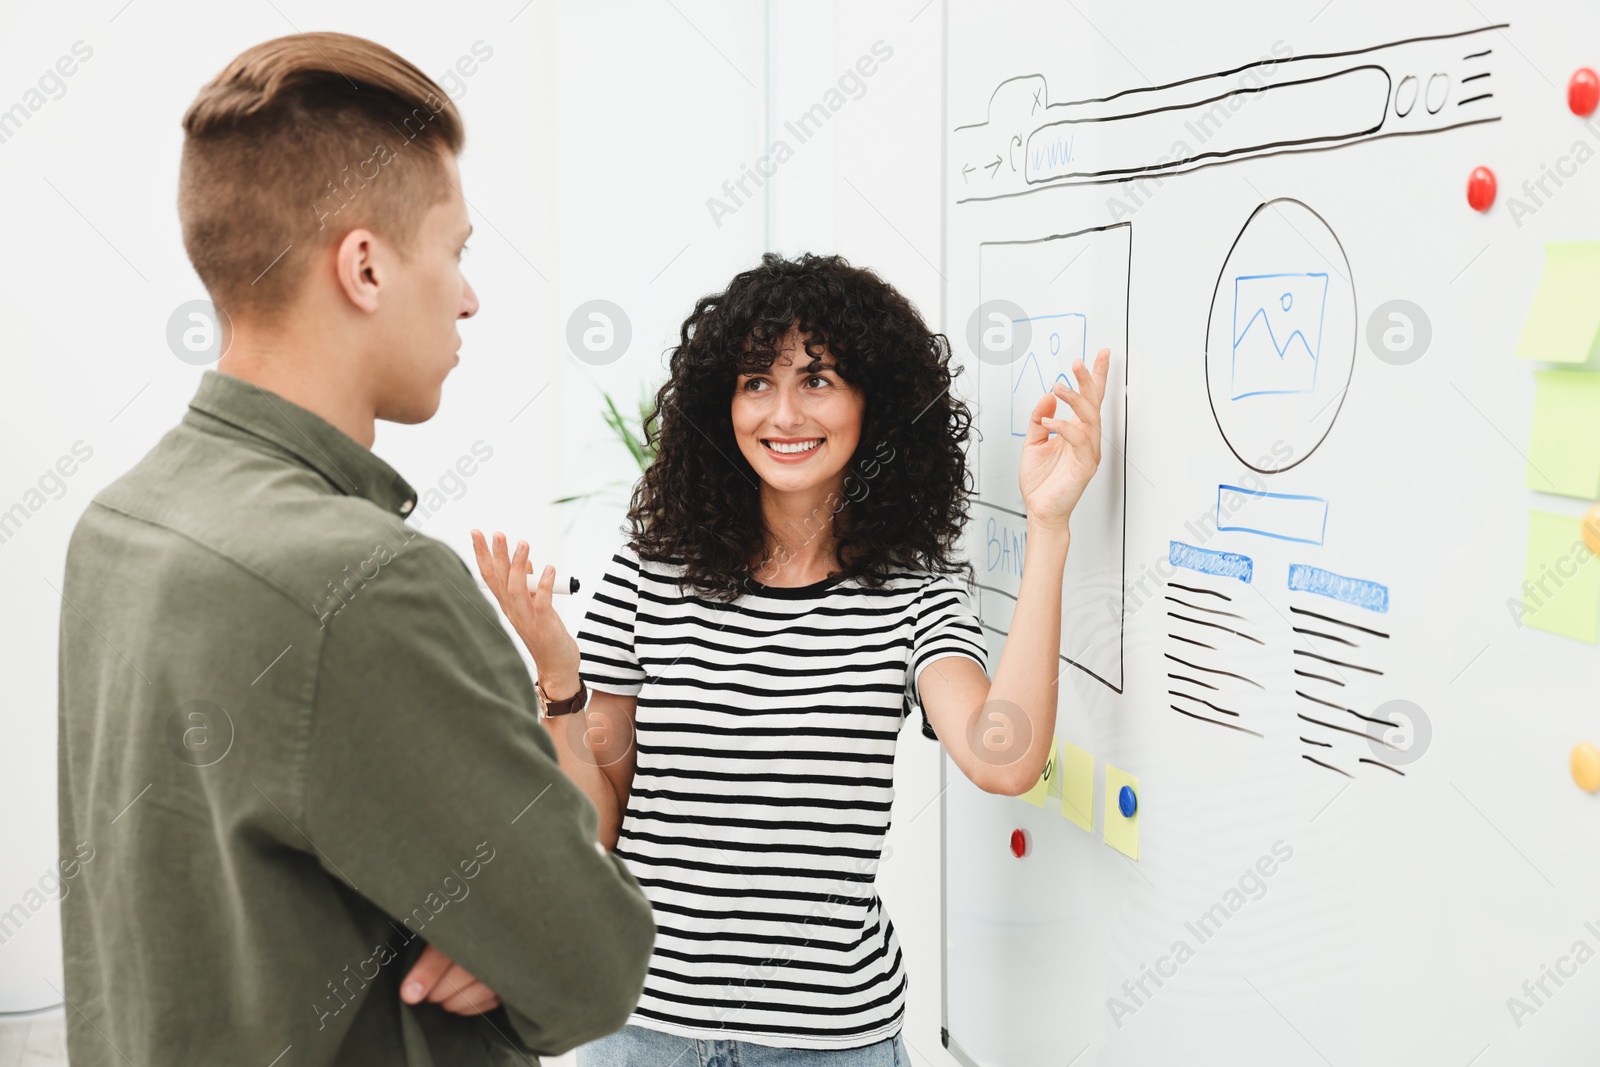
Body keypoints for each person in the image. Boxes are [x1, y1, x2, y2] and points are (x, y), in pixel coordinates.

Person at [56, 32, 653, 1066]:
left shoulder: (118, 522)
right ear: (366, 265)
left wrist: (487, 916)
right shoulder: (367, 583)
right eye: (457, 249)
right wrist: (496, 923)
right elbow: (592, 962)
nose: (470, 296)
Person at [471, 252, 1110, 1064]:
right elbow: (592, 825)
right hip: (643, 1032)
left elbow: (1005, 756)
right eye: (755, 383)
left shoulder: (912, 591)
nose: (783, 413)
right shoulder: (650, 572)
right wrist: (561, 678)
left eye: (818, 380)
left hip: (827, 1044)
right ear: (722, 401)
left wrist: (1048, 526)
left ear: (872, 400)